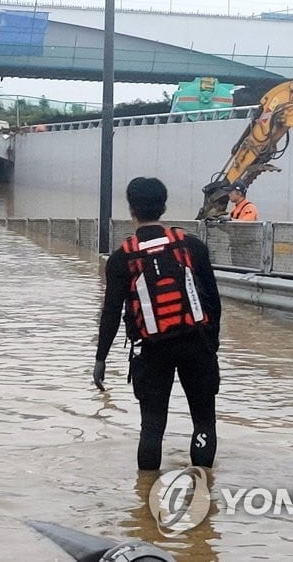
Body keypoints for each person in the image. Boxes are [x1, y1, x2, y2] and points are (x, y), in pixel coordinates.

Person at [93, 176, 222, 470]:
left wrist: (101, 358)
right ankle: (203, 495)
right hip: (196, 343)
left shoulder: (121, 259)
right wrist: (211, 345)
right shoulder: (192, 246)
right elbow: (213, 302)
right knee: (203, 421)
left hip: (152, 349)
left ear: (131, 209)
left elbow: (111, 313)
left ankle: (146, 504)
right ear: (164, 206)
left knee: (152, 427)